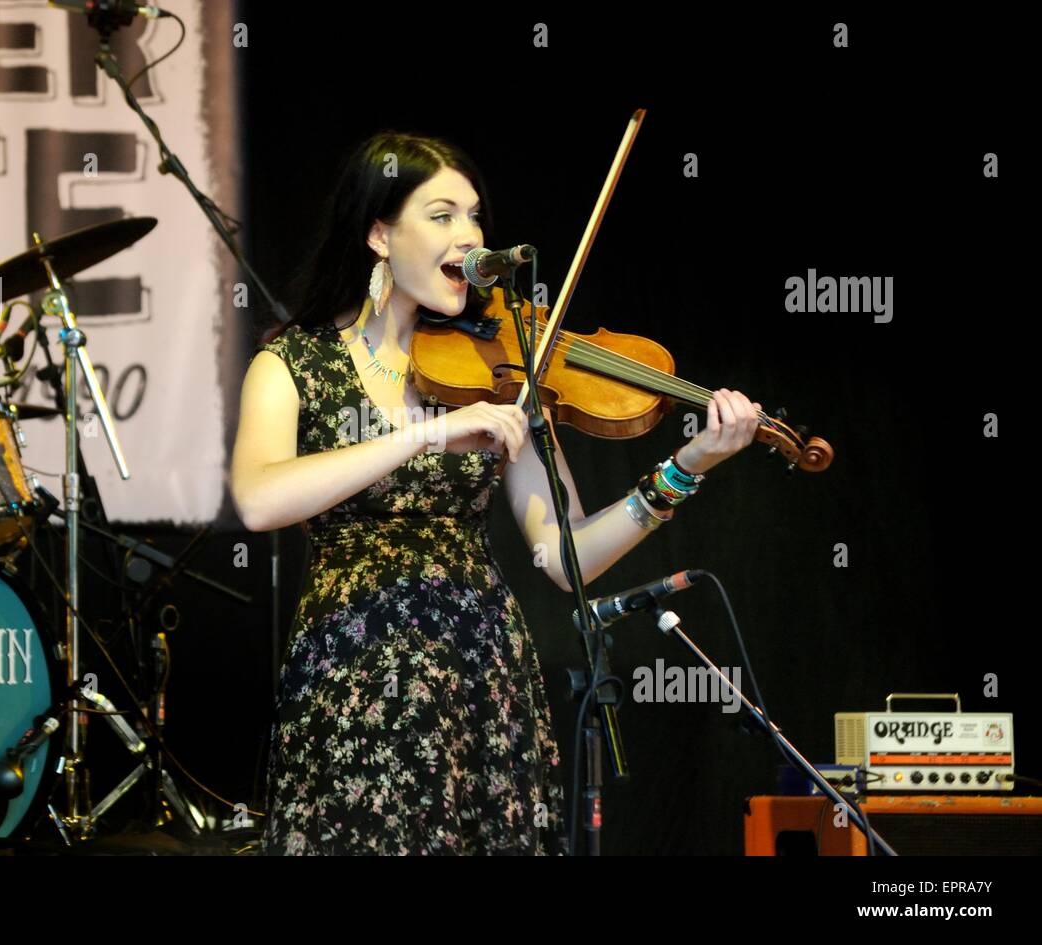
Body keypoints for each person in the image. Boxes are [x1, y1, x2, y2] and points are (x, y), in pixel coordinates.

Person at [230, 131, 762, 855]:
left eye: (476, 216)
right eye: (443, 214)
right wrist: (422, 436)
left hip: (481, 676)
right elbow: (260, 499)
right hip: (353, 678)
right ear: (379, 234)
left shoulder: (497, 366)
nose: (471, 236)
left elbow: (564, 553)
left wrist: (685, 468)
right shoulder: (291, 363)